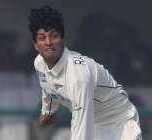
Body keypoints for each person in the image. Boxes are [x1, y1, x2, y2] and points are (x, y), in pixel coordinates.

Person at [29, 5, 142, 140]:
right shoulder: (39, 63)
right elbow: (48, 86)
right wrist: (48, 111)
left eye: (54, 36)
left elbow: (82, 127)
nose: (48, 42)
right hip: (95, 125)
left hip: (120, 125)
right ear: (35, 44)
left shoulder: (78, 76)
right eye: (42, 38)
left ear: (64, 40)